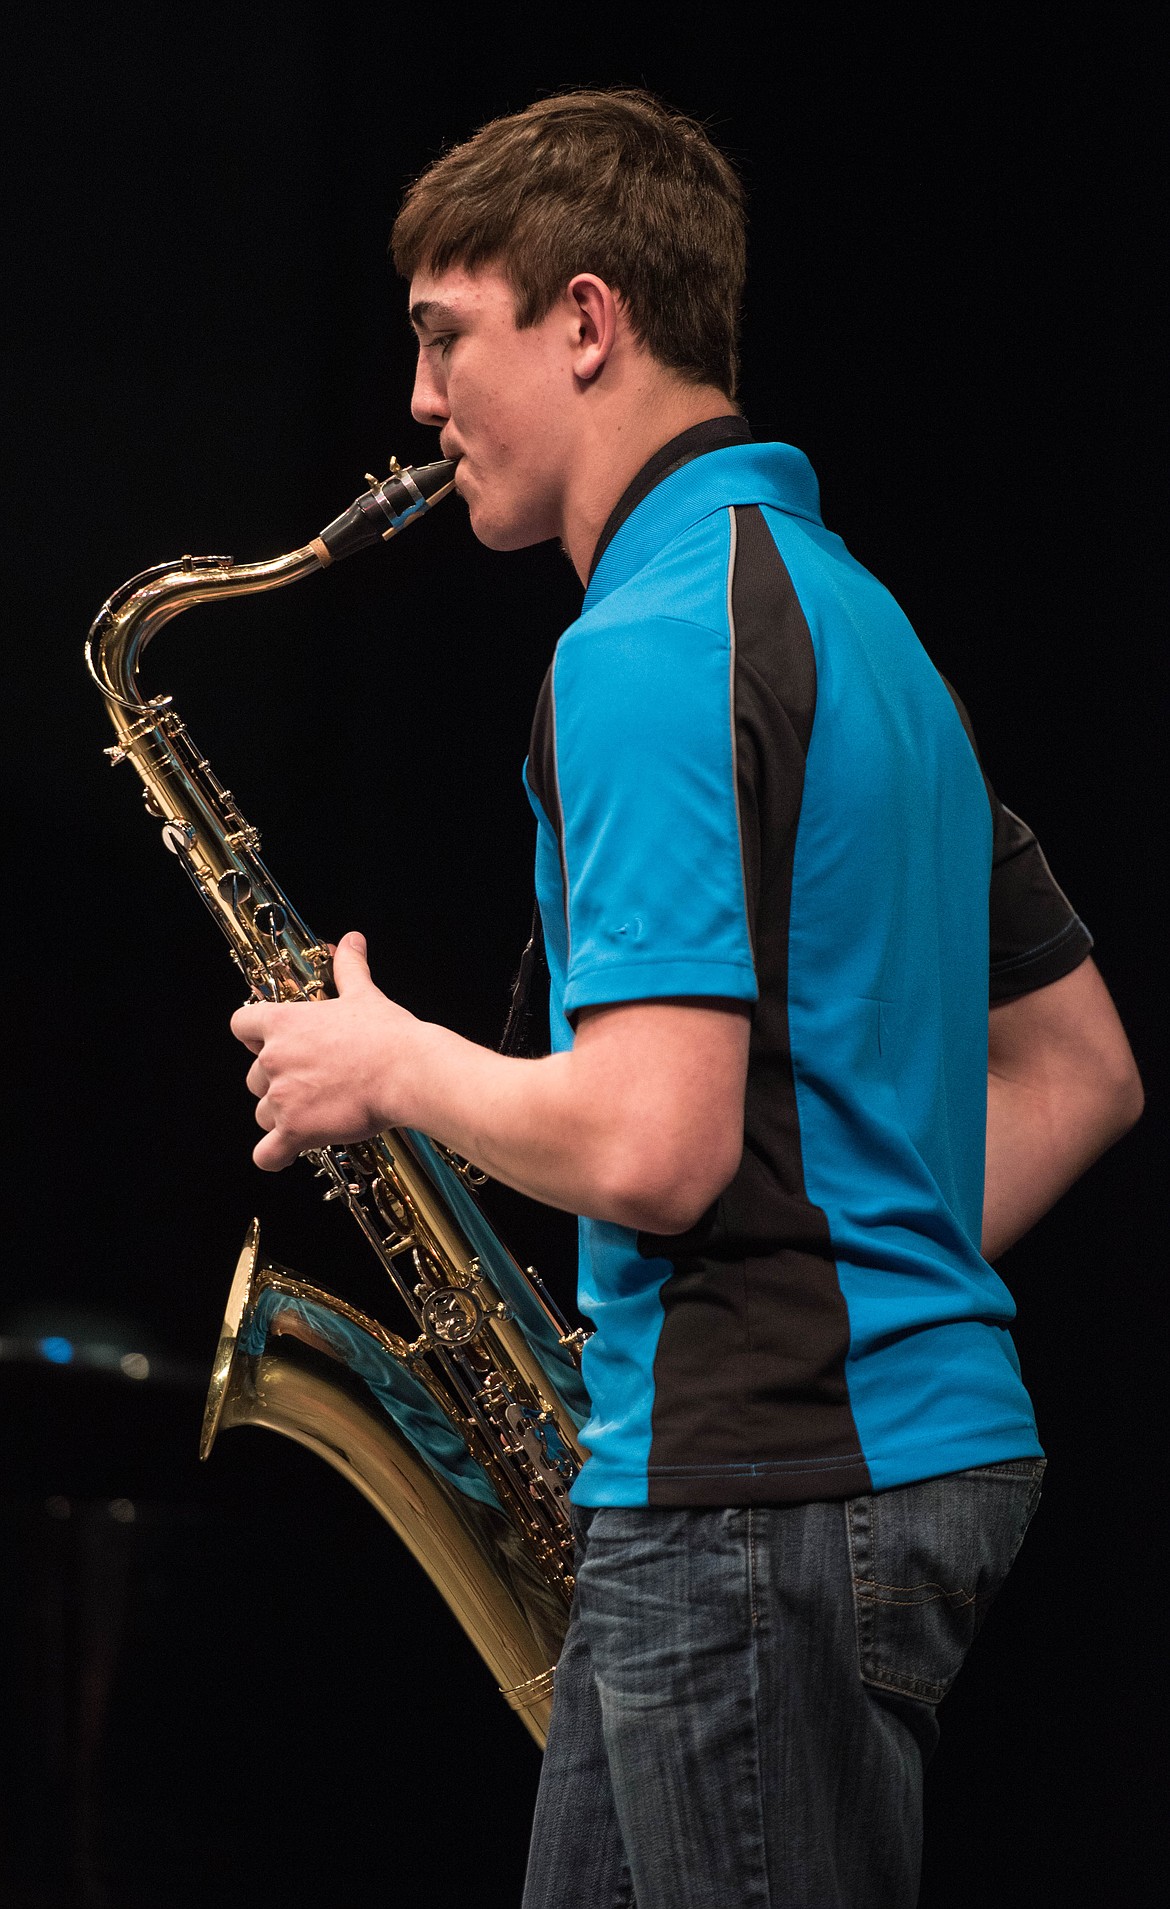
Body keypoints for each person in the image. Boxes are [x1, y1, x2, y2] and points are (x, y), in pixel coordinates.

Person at [229, 91, 1143, 1909]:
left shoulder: (642, 648)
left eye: (442, 334)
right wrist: (856, 1277)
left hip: (756, 1509)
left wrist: (391, 1063)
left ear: (586, 320)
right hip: (828, 1478)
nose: (416, 402)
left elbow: (654, 1142)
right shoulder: (855, 617)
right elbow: (1080, 1068)